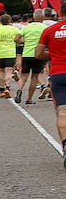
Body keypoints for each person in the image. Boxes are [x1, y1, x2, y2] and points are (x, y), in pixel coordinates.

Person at [33, 11, 66, 168]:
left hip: (58, 74)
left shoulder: (50, 30)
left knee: (62, 111)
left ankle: (65, 145)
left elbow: (38, 54)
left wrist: (52, 53)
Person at [16, 9, 50, 105]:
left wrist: (22, 42)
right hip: (39, 55)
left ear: (34, 17)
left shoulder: (26, 27)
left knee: (23, 76)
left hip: (27, 54)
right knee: (34, 77)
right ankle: (29, 99)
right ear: (43, 17)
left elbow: (16, 39)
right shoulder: (45, 28)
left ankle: (19, 90)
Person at [0, 13, 21, 99]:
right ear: (9, 21)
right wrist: (18, 43)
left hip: (0, 53)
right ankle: (7, 87)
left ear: (0, 21)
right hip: (10, 52)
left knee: (2, 71)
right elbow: (21, 38)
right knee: (9, 71)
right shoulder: (14, 29)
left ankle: (2, 89)